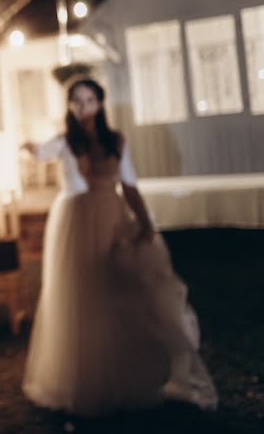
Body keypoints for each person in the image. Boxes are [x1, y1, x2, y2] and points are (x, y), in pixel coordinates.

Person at [21, 77, 217, 415]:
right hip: (78, 222)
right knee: (84, 295)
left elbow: (129, 185)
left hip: (113, 219)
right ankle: (85, 380)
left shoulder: (116, 141)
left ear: (100, 104)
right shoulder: (66, 142)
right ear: (69, 107)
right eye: (76, 101)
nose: (83, 107)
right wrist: (27, 144)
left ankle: (134, 372)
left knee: (124, 290)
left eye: (89, 100)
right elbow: (40, 152)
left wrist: (144, 223)